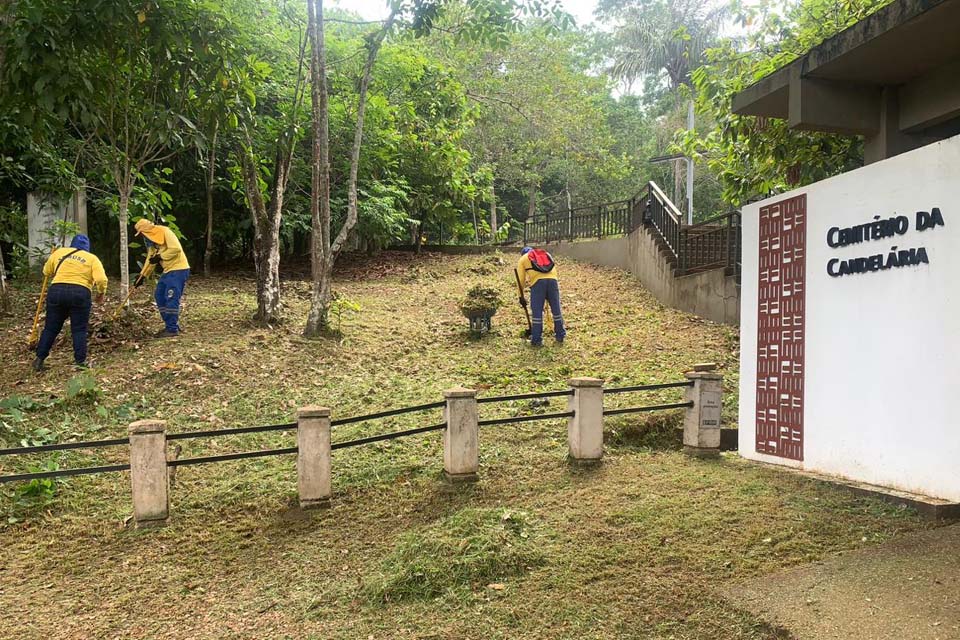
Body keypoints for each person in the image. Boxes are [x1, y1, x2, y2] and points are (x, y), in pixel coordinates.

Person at [32, 235, 107, 371]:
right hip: (80, 292)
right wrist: (100, 293)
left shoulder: (59, 253)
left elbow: (46, 271)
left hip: (57, 291)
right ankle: (80, 362)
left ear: (72, 244)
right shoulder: (92, 258)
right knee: (79, 329)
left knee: (51, 327)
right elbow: (101, 279)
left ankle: (39, 359)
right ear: (87, 247)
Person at [133, 219, 190, 338]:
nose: (143, 237)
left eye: (142, 234)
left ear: (147, 231)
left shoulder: (165, 232)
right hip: (168, 271)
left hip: (178, 269)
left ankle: (172, 329)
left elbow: (176, 249)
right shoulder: (153, 243)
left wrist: (160, 257)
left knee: (171, 297)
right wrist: (142, 276)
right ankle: (170, 324)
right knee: (159, 295)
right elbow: (151, 260)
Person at [516, 246, 566, 346]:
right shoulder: (546, 254)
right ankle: (560, 335)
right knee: (556, 309)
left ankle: (536, 339)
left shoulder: (523, 259)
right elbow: (553, 270)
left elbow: (520, 280)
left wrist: (520, 296)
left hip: (538, 283)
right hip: (553, 281)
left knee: (537, 311)